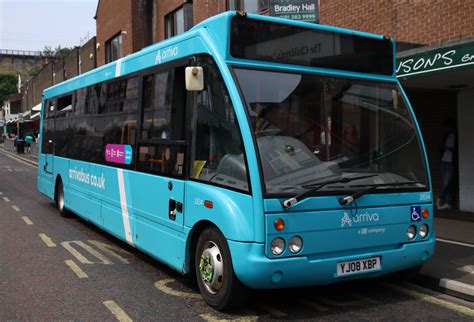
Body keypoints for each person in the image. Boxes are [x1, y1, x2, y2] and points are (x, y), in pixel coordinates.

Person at [437, 119, 456, 210]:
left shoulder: (456, 136)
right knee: (446, 183)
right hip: (443, 161)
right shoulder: (446, 136)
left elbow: (456, 150)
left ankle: (440, 198)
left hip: (450, 162)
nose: (446, 129)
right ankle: (448, 203)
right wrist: (442, 148)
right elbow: (441, 148)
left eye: (447, 127)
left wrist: (448, 148)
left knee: (446, 182)